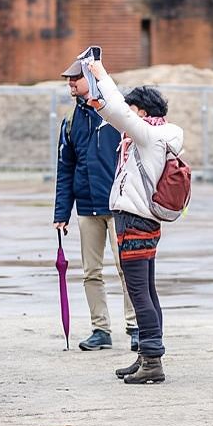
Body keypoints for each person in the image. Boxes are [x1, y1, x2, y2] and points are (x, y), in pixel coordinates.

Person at [85, 58, 183, 385]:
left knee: (139, 291)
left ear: (141, 112)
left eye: (132, 110)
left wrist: (100, 73)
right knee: (146, 289)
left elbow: (119, 113)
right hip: (140, 220)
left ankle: (152, 360)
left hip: (135, 222)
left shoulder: (149, 137)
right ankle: (146, 355)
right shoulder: (152, 136)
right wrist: (97, 99)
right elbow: (114, 113)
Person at [52, 56, 139, 352]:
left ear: (89, 81)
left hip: (118, 207)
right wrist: (61, 212)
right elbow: (65, 167)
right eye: (68, 79)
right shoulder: (71, 120)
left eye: (73, 79)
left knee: (126, 268)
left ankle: (136, 326)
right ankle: (100, 329)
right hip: (87, 208)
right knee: (91, 271)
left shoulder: (115, 114)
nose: (69, 84)